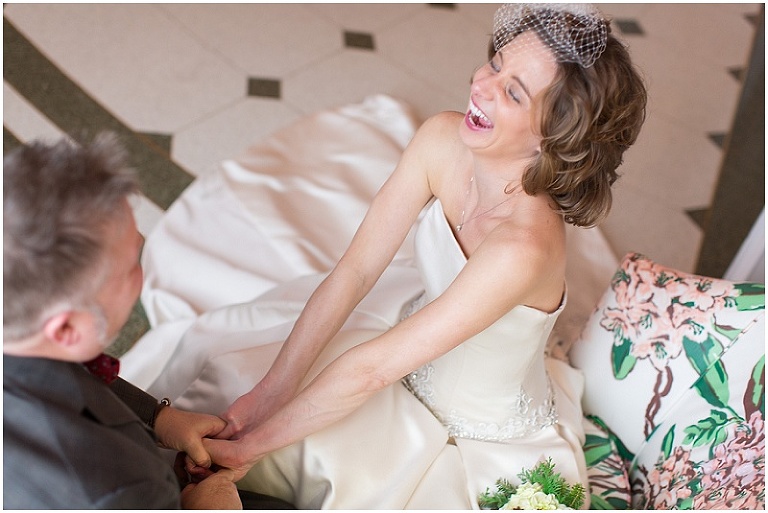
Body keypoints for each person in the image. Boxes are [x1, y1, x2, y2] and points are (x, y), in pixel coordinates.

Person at [133, 3, 647, 509]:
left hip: (471, 429)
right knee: (242, 380)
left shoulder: (522, 248)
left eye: (513, 92)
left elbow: (372, 370)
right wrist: (270, 392)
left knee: (318, 465)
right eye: (494, 63)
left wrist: (248, 448)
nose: (481, 84)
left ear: (553, 136)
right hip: (398, 342)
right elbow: (354, 272)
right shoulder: (441, 137)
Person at [2, 135, 293, 509]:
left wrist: (158, 417)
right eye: (131, 267)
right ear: (67, 330)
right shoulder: (117, 486)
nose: (143, 273)